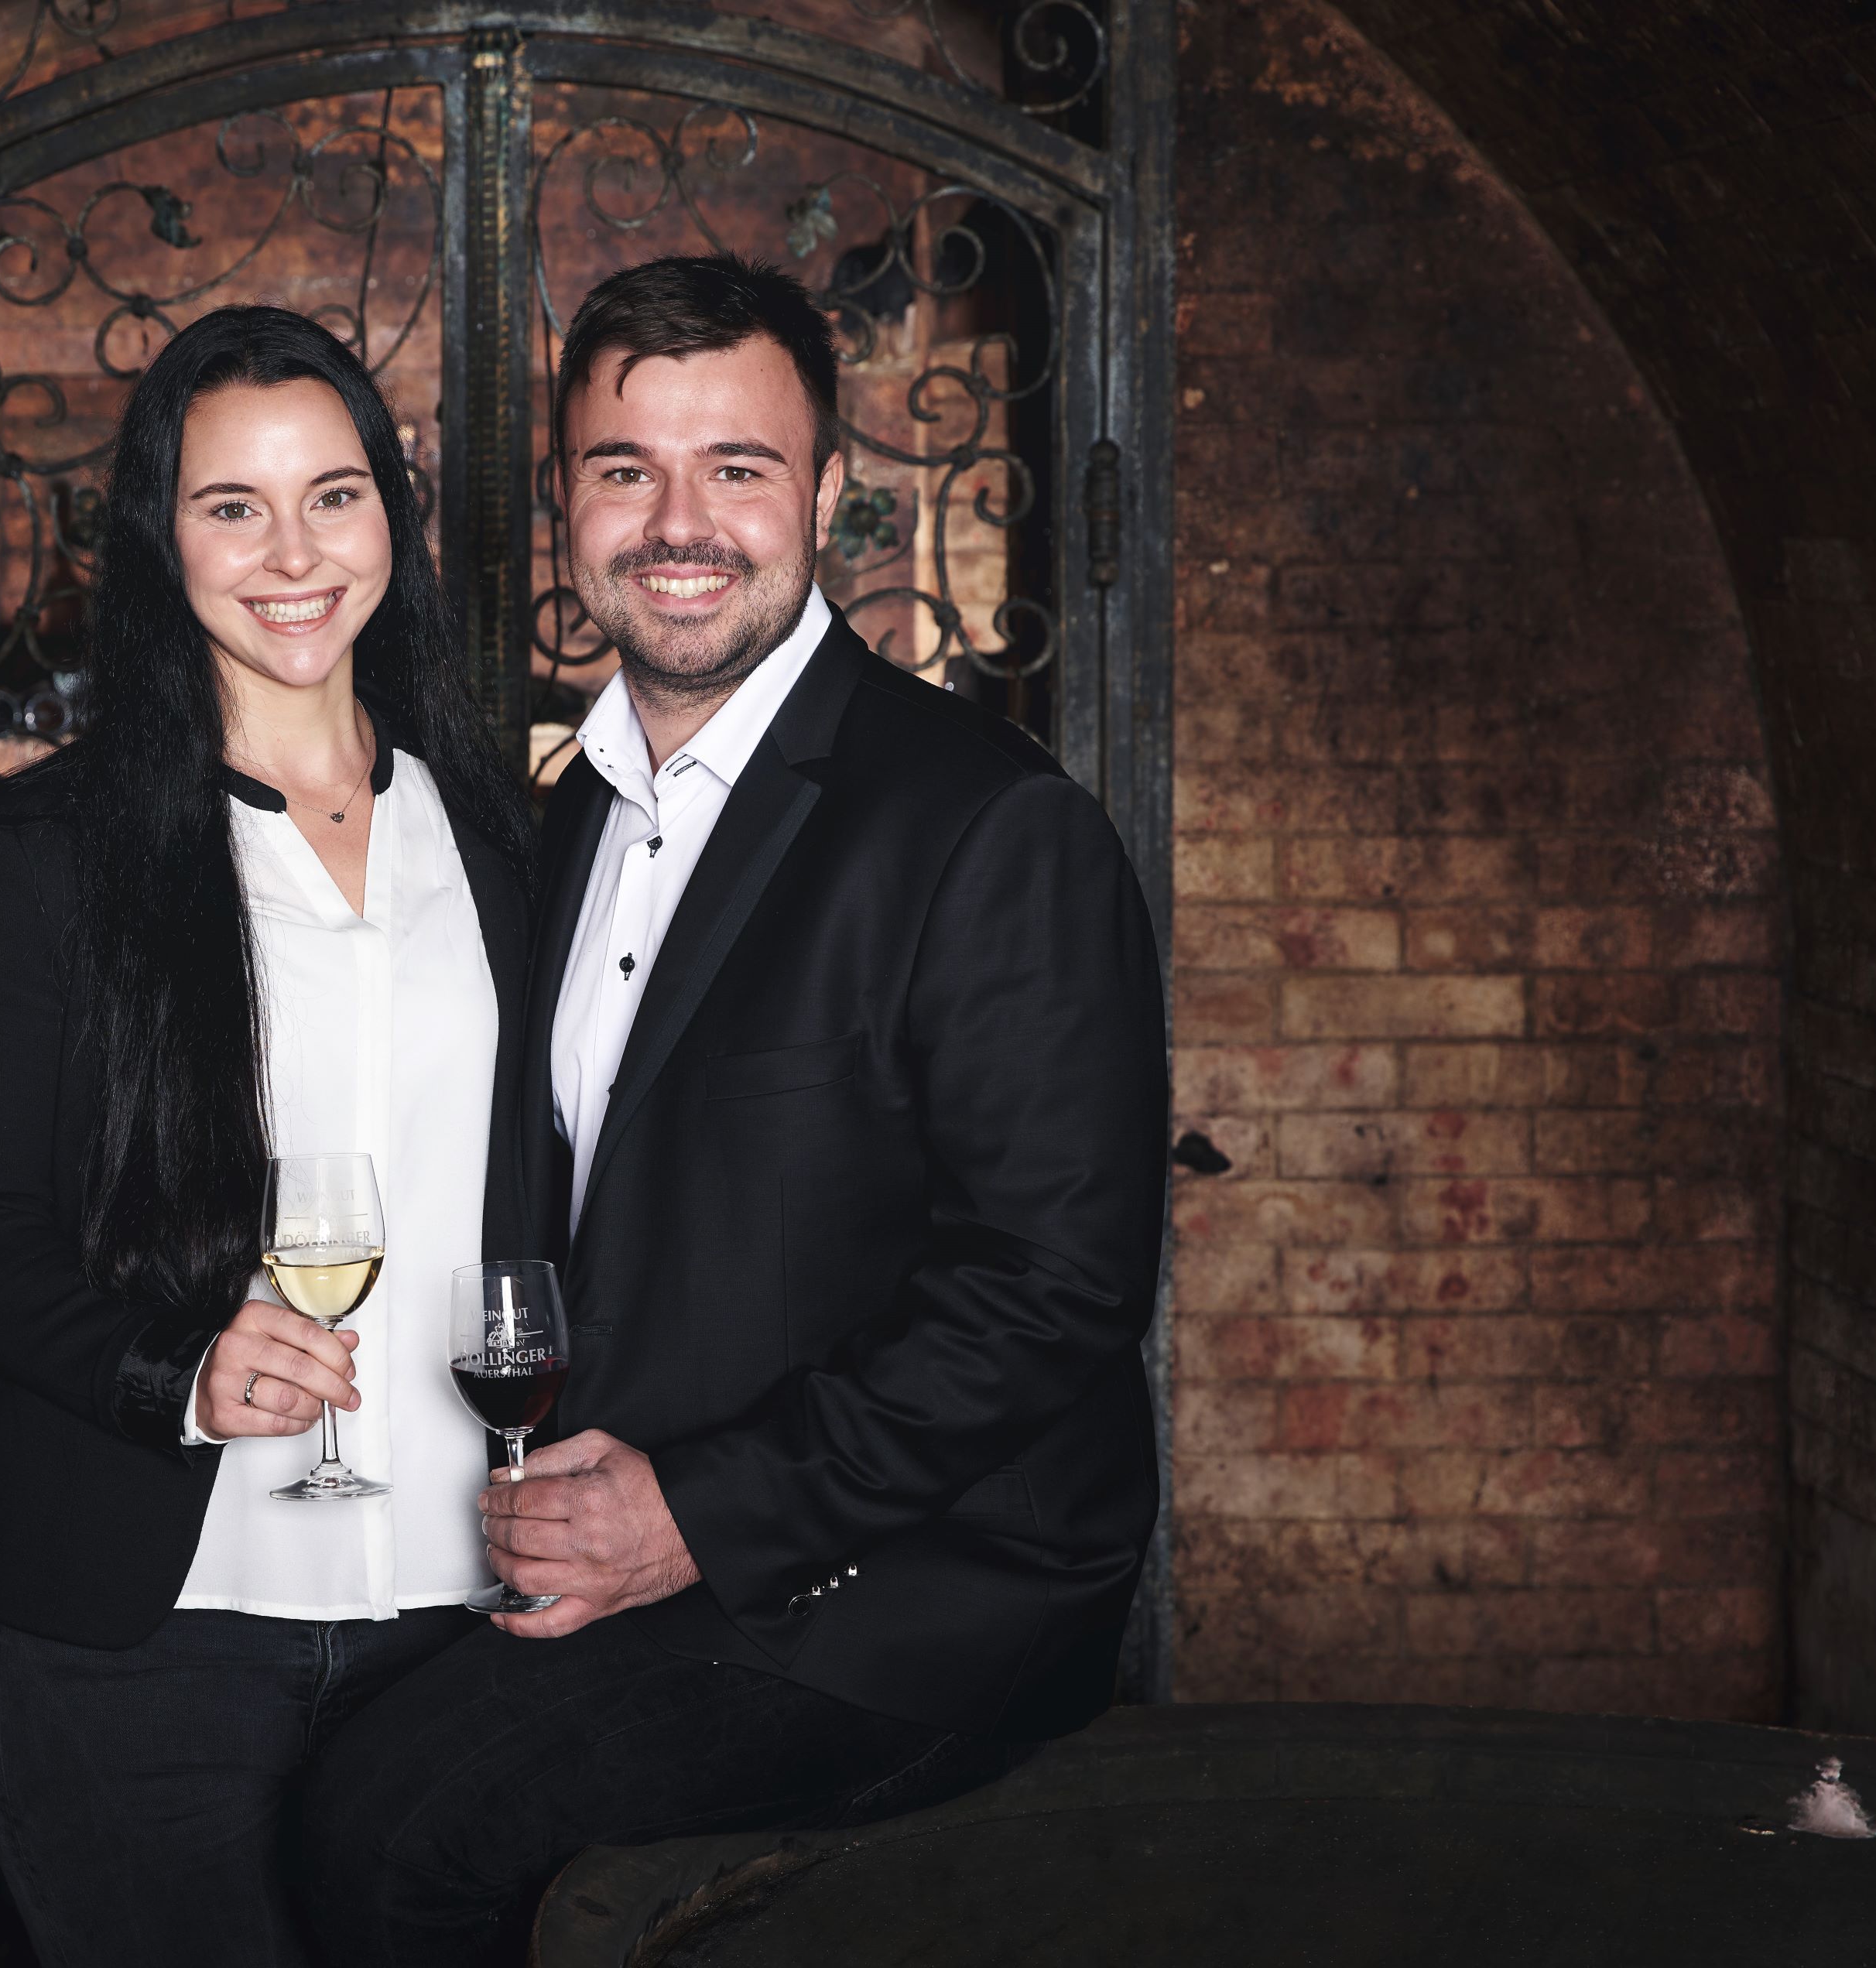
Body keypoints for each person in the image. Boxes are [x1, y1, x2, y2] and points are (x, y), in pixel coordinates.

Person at [293, 255, 1172, 1962]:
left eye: (737, 471)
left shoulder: (987, 826)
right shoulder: (567, 823)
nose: (676, 524)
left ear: (829, 495)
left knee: (391, 1826)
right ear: (564, 508)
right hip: (624, 1528)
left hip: (912, 1586)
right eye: (626, 472)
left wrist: (690, 1513)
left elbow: (1054, 1289)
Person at [0, 306, 534, 1966]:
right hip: (146, 1632)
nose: (291, 552)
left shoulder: (508, 829)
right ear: (158, 536)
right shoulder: (53, 845)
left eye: (333, 495)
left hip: (471, 1619)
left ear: (391, 513)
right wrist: (165, 1372)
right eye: (230, 506)